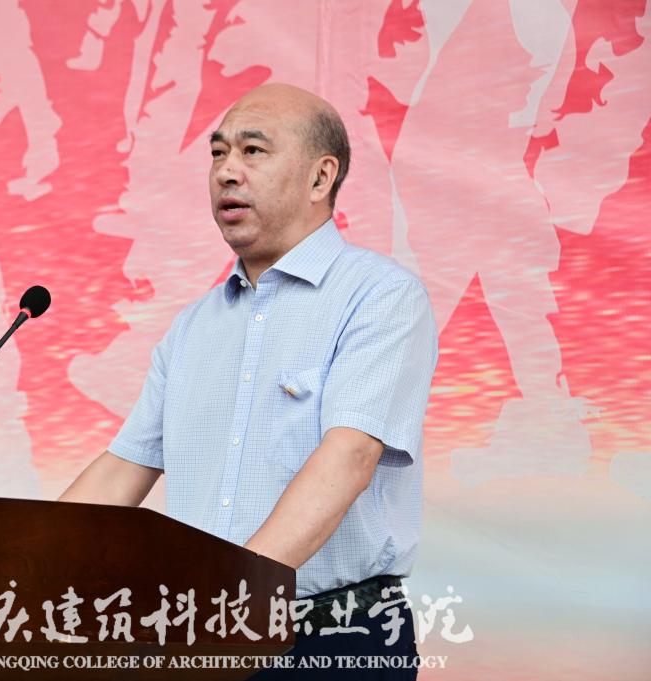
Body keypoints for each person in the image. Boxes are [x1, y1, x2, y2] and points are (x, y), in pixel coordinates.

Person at [60, 82, 438, 678]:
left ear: (320, 177)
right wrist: (7, 570)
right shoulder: (193, 327)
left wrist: (230, 606)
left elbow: (349, 457)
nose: (226, 171)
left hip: (332, 642)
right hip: (203, 640)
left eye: (253, 151)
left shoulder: (378, 296)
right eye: (217, 153)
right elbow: (122, 470)